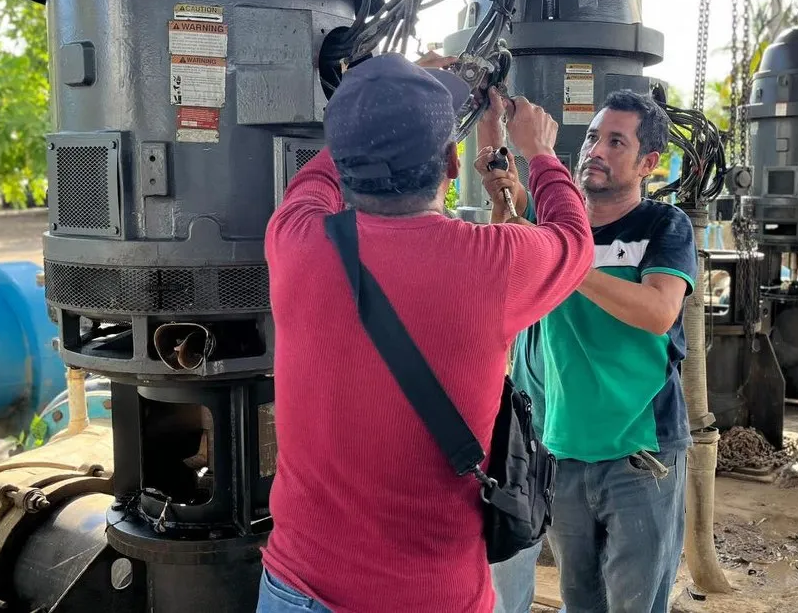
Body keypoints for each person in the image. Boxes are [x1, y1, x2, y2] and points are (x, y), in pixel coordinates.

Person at [258, 52, 594, 613]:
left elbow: (319, 176)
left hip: (297, 590)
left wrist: (381, 94)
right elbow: (574, 238)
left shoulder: (293, 244)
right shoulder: (493, 264)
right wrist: (540, 152)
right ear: (449, 161)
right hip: (431, 598)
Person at [481, 90, 696, 613]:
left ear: (648, 163)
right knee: (580, 602)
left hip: (639, 457)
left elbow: (657, 311)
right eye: (594, 136)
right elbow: (502, 265)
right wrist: (494, 138)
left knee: (635, 605)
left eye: (615, 141)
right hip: (562, 451)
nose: (595, 149)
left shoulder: (662, 227)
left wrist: (565, 260)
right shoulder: (558, 221)